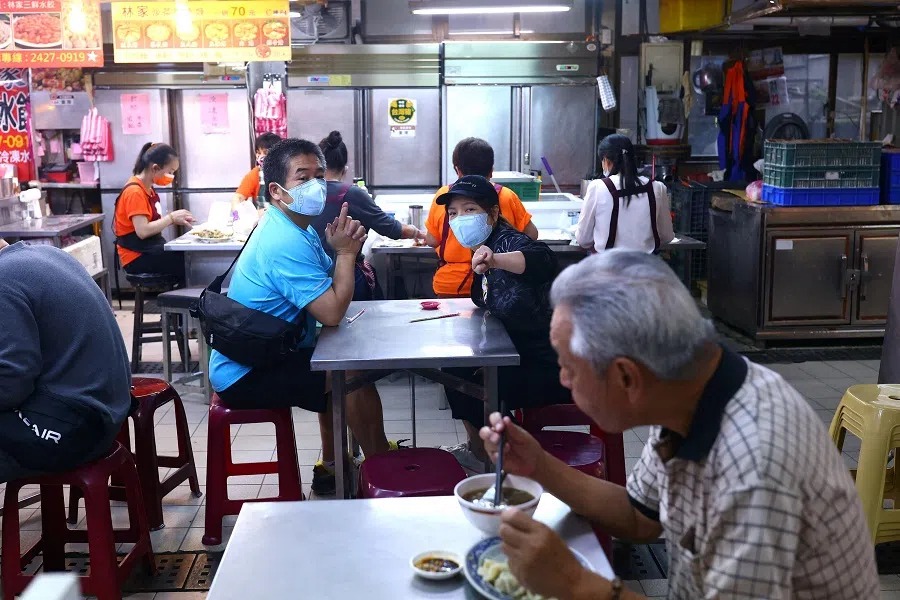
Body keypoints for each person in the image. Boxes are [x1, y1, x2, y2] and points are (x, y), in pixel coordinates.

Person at [479, 250, 878, 600]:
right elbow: (641, 517)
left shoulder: (754, 470)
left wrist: (576, 584)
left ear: (626, 378)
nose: (563, 379)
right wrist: (539, 466)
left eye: (568, 367)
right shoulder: (689, 390)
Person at [208, 138, 395, 496]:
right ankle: (383, 472)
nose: (315, 185)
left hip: (268, 351)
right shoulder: (283, 240)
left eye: (319, 176)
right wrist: (345, 253)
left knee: (337, 365)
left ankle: (334, 465)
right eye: (302, 177)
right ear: (276, 191)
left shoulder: (300, 228)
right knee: (349, 372)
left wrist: (342, 254)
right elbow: (332, 310)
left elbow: (328, 285)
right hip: (245, 373)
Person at [435, 176, 571, 474]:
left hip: (547, 366)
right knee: (455, 370)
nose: (460, 219)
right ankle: (483, 452)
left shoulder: (508, 243)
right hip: (517, 353)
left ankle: (503, 459)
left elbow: (542, 258)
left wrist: (496, 260)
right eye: (454, 213)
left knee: (469, 381)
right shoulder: (483, 246)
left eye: (470, 210)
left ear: (494, 213)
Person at [0, 238, 131, 482]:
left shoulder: (3, 279)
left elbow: (12, 382)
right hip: (109, 412)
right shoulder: (47, 254)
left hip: (78, 429)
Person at [312, 130, 424, 300]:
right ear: (345, 169)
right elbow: (391, 228)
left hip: (310, 275)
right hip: (344, 274)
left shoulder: (305, 194)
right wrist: (419, 233)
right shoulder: (351, 194)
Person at [425, 137, 538, 298]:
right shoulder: (506, 196)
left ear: (458, 171)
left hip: (452, 286)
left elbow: (432, 240)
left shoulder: (444, 195)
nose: (461, 215)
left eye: (470, 209)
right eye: (453, 213)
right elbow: (531, 235)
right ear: (491, 170)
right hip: (500, 286)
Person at [576, 134, 674, 253]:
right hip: (645, 266)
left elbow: (584, 240)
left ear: (606, 160)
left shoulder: (598, 187)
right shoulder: (657, 187)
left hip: (608, 266)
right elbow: (667, 236)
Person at [113, 142, 194, 279]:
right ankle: (181, 299)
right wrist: (171, 218)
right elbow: (143, 231)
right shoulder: (135, 192)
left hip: (149, 250)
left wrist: (175, 218)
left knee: (187, 255)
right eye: (170, 172)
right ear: (155, 168)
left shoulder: (148, 188)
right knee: (188, 262)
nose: (172, 177)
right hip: (136, 257)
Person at [231, 132, 282, 211]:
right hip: (264, 220)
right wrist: (236, 216)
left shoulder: (289, 171)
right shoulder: (255, 174)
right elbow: (238, 197)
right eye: (258, 153)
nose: (261, 157)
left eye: (266, 153)